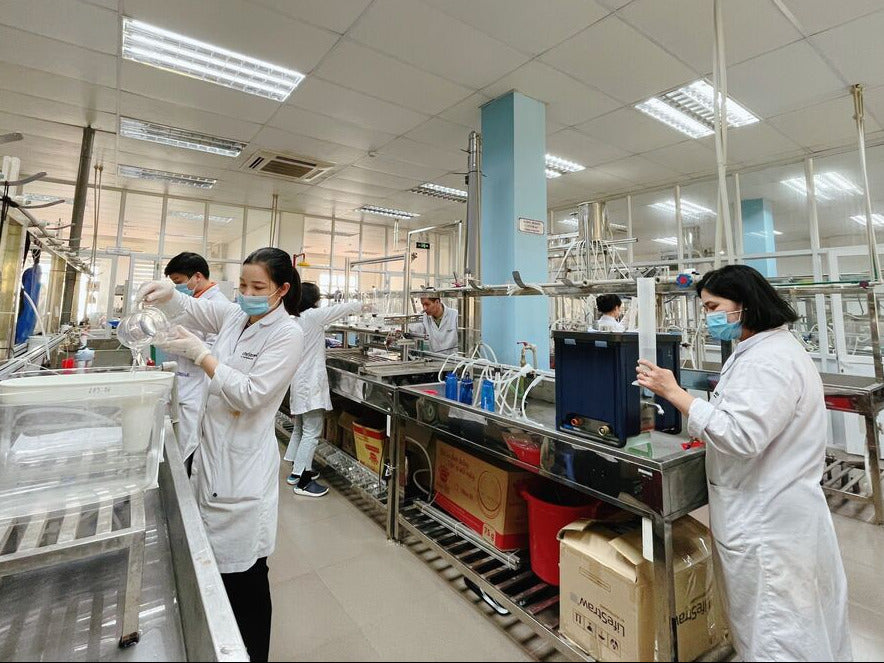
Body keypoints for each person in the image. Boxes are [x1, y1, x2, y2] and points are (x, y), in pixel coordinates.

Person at [634, 264, 851, 662]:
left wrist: (675, 393)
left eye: (714, 306)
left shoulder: (768, 361)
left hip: (768, 522)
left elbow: (740, 435)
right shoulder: (760, 351)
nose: (709, 317)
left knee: (776, 633)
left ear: (745, 305)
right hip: (773, 512)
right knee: (798, 625)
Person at [139, 247, 304, 663]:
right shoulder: (235, 314)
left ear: (282, 290)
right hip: (211, 453)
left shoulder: (288, 333)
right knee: (219, 576)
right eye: (243, 284)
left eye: (258, 287)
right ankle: (223, 647)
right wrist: (169, 295)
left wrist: (204, 356)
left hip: (242, 468)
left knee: (247, 577)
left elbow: (252, 394)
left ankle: (252, 654)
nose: (247, 293)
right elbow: (196, 312)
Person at [284, 282, 369, 497]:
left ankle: (295, 471)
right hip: (309, 383)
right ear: (314, 299)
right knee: (312, 433)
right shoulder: (312, 316)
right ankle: (303, 481)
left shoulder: (296, 317)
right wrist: (363, 303)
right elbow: (338, 310)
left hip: (299, 382)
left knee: (301, 429)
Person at [161, 252, 230, 468]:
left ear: (197, 276)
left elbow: (219, 352)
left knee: (189, 446)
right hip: (180, 382)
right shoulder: (192, 301)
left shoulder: (219, 304)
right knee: (174, 444)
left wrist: (191, 349)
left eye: (179, 282)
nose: (176, 287)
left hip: (198, 386)